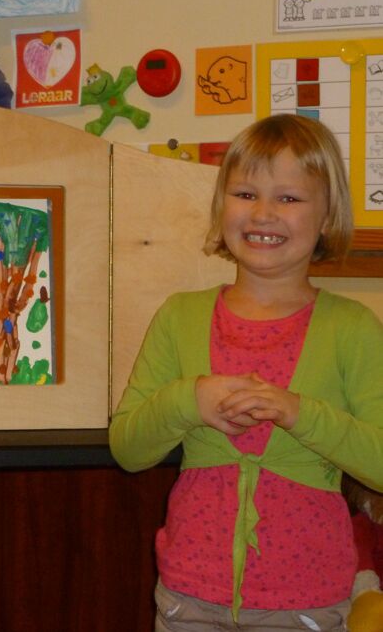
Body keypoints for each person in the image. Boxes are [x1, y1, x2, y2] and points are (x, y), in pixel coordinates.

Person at [110, 113, 383, 631]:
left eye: (289, 197)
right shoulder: (180, 316)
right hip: (189, 594)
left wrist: (299, 413)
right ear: (221, 207)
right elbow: (128, 448)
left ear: (327, 216)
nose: (263, 213)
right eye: (245, 194)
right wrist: (190, 400)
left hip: (306, 597)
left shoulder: (352, 328)